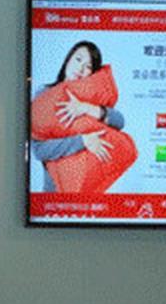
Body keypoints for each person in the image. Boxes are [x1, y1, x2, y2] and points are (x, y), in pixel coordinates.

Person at [29, 39, 135, 194]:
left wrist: (86, 108)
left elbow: (119, 121)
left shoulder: (90, 96)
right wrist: (83, 141)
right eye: (78, 60)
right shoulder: (44, 95)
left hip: (89, 192)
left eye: (88, 67)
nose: (80, 68)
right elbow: (39, 150)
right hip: (54, 193)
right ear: (68, 59)